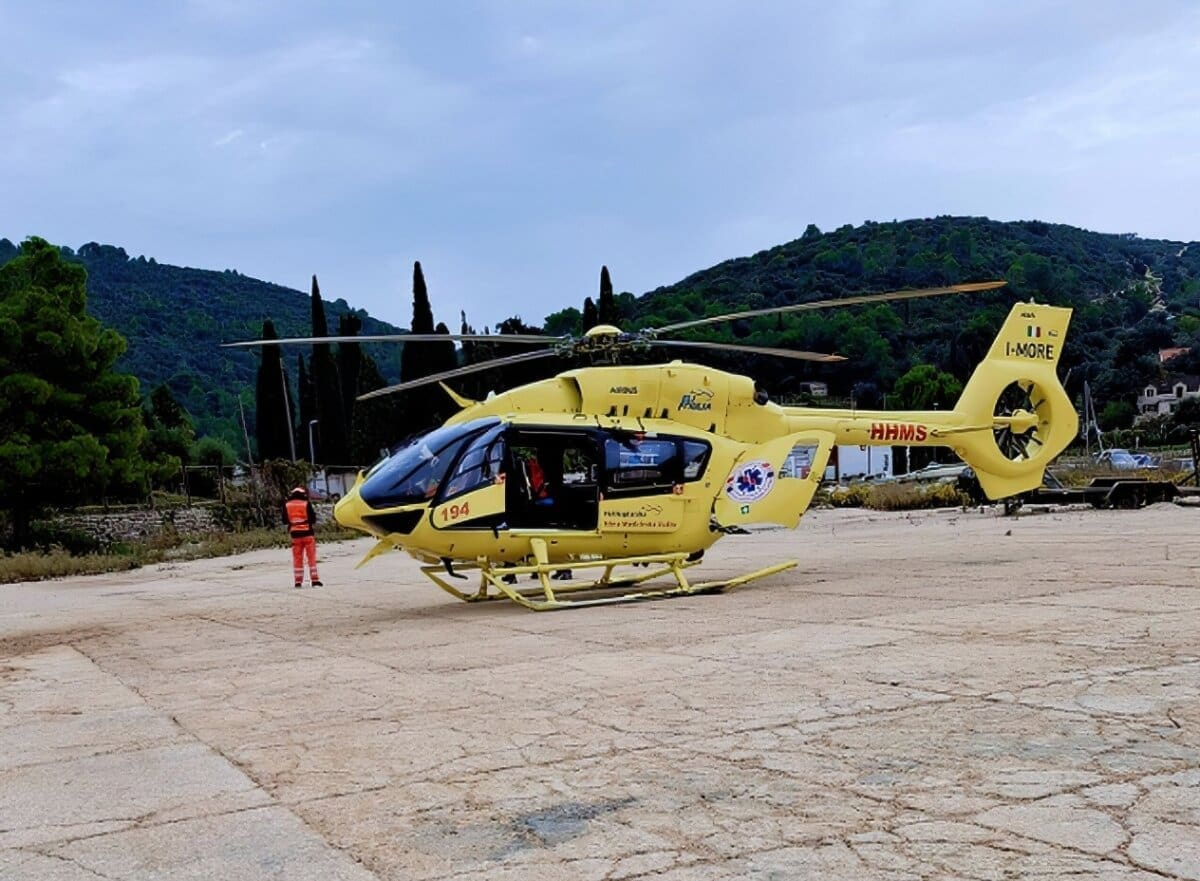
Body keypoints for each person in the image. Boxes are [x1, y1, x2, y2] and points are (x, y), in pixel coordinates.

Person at [284, 486, 323, 588]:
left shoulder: (287, 505)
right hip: (308, 533)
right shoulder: (306, 504)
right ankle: (315, 580)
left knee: (297, 558)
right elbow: (313, 519)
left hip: (295, 535)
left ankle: (298, 582)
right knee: (311, 558)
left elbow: (284, 520)